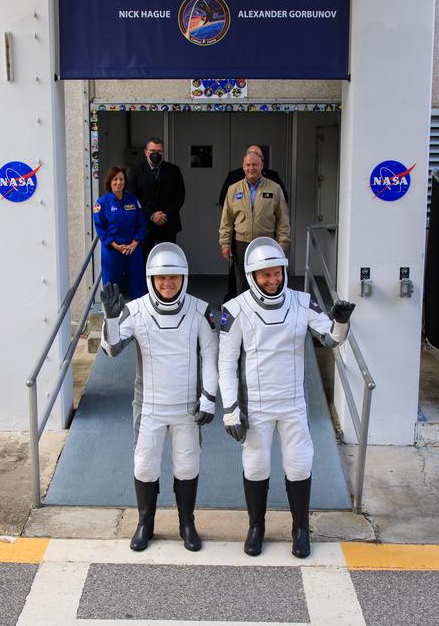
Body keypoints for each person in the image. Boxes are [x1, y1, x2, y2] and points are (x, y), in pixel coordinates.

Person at [218, 237, 354, 558]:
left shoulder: (302, 302)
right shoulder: (234, 310)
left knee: (299, 464)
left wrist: (341, 321)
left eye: (277, 272)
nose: (273, 279)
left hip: (293, 402)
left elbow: (331, 339)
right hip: (256, 406)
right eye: (265, 274)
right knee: (256, 464)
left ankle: (300, 528)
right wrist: (230, 410)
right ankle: (256, 526)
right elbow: (225, 363)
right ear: (252, 275)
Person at [100, 242, 218, 553]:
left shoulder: (199, 310)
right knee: (144, 466)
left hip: (187, 407)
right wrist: (110, 320)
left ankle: (187, 523)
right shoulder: (135, 310)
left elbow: (211, 356)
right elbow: (112, 349)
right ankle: (145, 523)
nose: (168, 284)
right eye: (161, 278)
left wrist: (208, 397)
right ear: (151, 279)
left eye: (174, 277)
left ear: (184, 277)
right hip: (149, 407)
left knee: (187, 465)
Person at [218, 150, 291, 302]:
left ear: (262, 166)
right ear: (243, 167)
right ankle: (244, 318)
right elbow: (226, 220)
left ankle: (264, 314)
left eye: (255, 164)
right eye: (248, 165)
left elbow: (283, 219)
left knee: (264, 281)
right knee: (242, 284)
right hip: (241, 244)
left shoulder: (274, 188)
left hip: (265, 244)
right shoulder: (233, 189)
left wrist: (283, 241)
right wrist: (225, 243)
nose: (251, 168)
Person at [93, 165, 147, 299]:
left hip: (133, 249)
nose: (118, 183)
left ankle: (139, 316)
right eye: (115, 180)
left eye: (121, 179)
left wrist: (134, 243)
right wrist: (115, 246)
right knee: (111, 285)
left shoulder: (133, 200)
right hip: (112, 250)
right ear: (109, 182)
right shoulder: (102, 203)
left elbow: (141, 223)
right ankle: (111, 317)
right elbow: (101, 228)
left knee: (138, 283)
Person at [127, 138, 185, 259]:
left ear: (163, 152)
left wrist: (166, 214)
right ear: (145, 152)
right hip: (145, 224)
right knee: (145, 260)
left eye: (159, 151)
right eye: (152, 150)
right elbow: (133, 198)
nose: (156, 154)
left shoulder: (174, 170)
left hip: (168, 224)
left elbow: (180, 196)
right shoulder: (135, 171)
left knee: (167, 259)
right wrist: (152, 215)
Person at [216, 144, 287, 208]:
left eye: (257, 155)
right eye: (251, 154)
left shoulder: (272, 176)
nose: (253, 157)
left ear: (262, 159)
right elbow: (223, 200)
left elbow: (283, 200)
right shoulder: (234, 176)